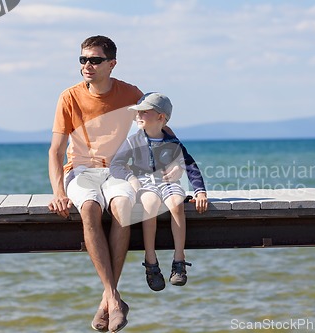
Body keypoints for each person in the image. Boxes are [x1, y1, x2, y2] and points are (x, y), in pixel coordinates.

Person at [48, 35, 144, 333]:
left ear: (111, 64)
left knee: (123, 206)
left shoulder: (131, 94)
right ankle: (114, 299)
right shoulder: (69, 97)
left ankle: (107, 299)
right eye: (83, 60)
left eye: (95, 60)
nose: (87, 65)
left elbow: (157, 131)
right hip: (80, 170)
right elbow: (55, 151)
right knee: (89, 208)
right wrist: (58, 192)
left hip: (117, 171)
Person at [110, 92, 208, 292]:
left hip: (167, 182)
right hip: (145, 183)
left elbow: (189, 164)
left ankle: (179, 261)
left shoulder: (172, 141)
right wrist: (131, 178)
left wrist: (200, 191)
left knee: (176, 204)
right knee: (151, 205)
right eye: (137, 112)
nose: (138, 116)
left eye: (144, 112)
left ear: (161, 117)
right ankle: (151, 262)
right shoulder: (133, 140)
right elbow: (116, 165)